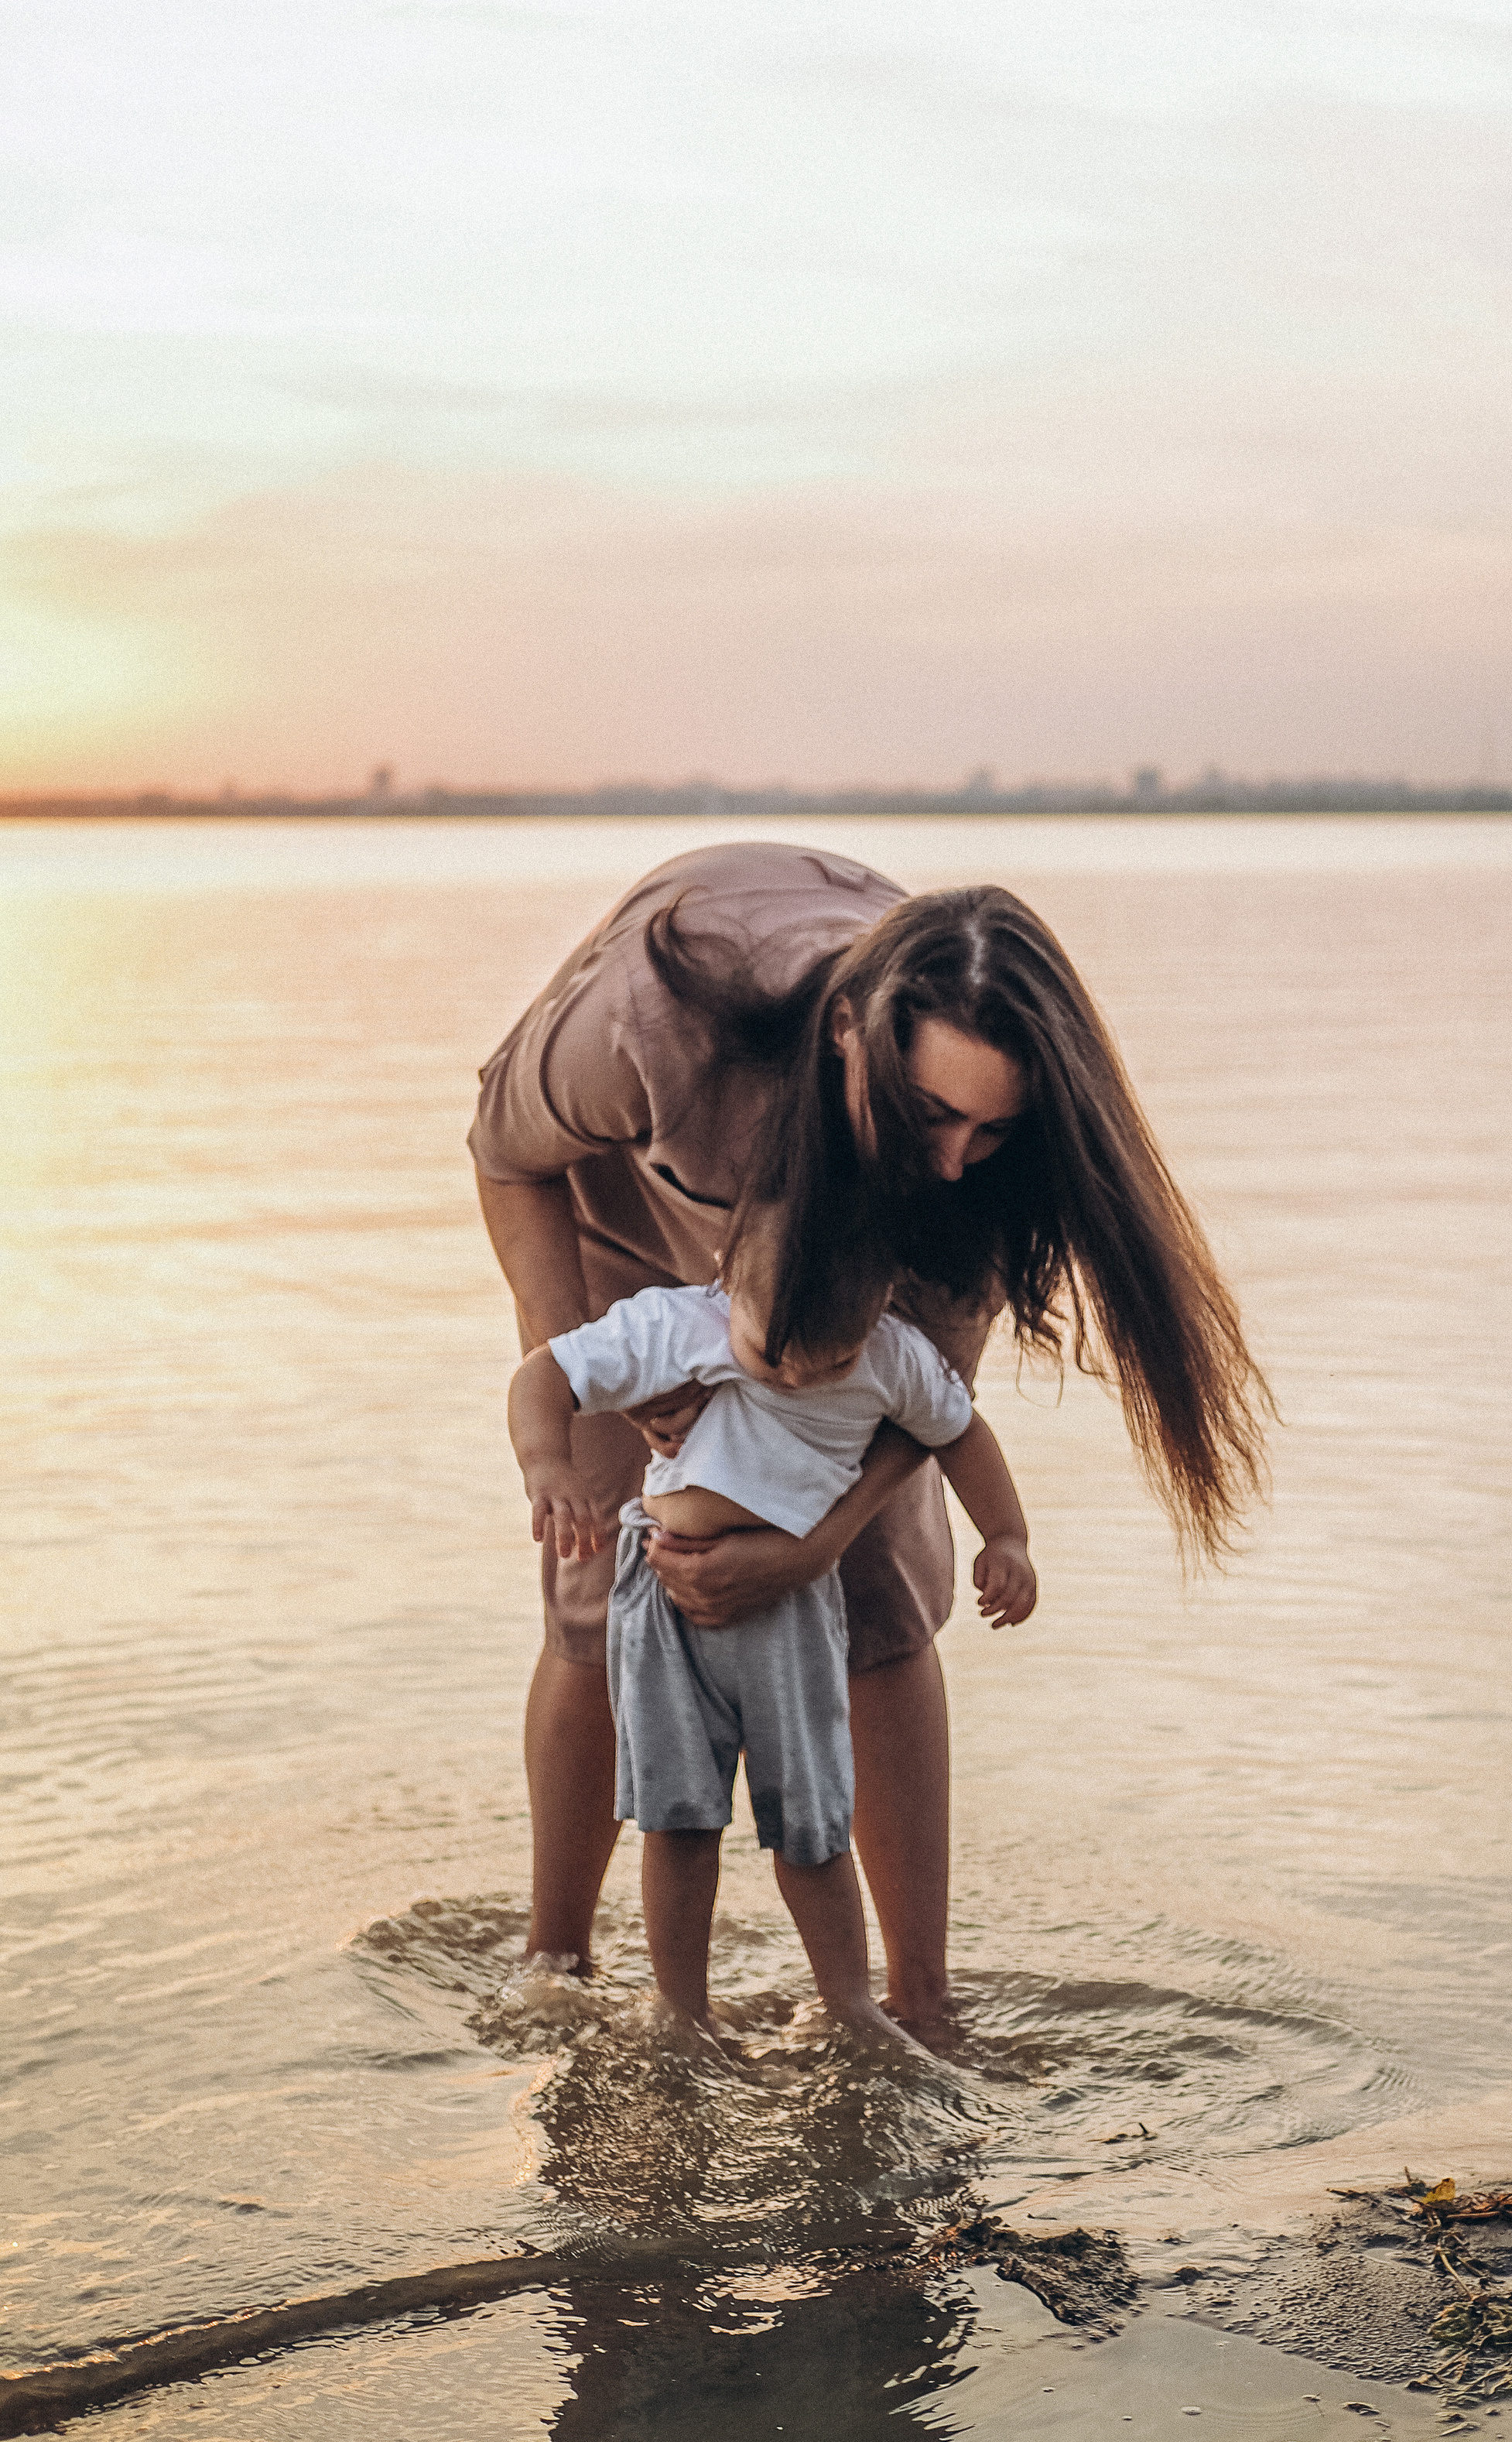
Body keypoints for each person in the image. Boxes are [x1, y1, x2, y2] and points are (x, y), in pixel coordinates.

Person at [471, 841, 1271, 2023]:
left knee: (885, 1590)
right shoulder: (657, 1022)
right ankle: (557, 1969)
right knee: (602, 1580)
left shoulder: (976, 1175)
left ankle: (918, 2005)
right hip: (631, 1227)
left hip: (860, 1274)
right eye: (931, 1112)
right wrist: (593, 1382)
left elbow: (936, 1411)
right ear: (852, 1032)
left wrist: (816, 1541)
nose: (952, 1158)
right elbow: (505, 1151)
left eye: (989, 1130)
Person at [506, 1208, 1036, 2047]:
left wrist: (1005, 1536)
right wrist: (548, 1462)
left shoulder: (893, 1354)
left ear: (878, 1308)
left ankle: (849, 2002)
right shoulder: (679, 1322)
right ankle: (682, 2009)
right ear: (726, 1280)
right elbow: (546, 1372)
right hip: (666, 1607)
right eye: (768, 1356)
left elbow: (960, 1431)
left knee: (813, 1826)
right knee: (678, 1819)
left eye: (829, 1362)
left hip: (791, 1610)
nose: (793, 1378)